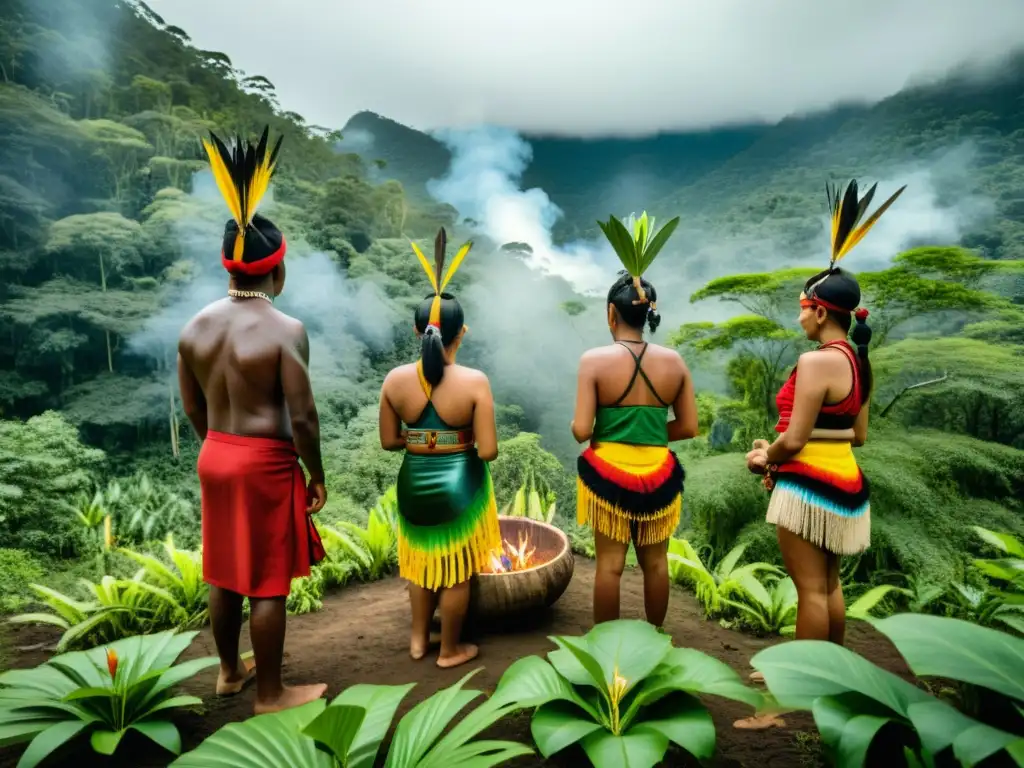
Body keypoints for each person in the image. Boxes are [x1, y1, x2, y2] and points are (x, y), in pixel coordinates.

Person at [737, 179, 905, 728]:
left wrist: (767, 457)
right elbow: (855, 435)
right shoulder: (857, 361)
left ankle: (789, 697)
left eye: (802, 308)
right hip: (846, 483)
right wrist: (781, 447)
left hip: (808, 484)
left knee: (809, 587)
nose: (799, 317)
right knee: (828, 585)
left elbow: (795, 438)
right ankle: (824, 671)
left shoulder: (814, 363)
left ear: (818, 310)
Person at [177, 127, 328, 715]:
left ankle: (228, 671)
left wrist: (215, 446)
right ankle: (270, 693)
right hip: (264, 463)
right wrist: (315, 475)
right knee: (265, 580)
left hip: (214, 455)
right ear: (277, 270)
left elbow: (193, 406)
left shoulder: (194, 328)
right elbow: (304, 415)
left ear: (228, 268)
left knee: (224, 571)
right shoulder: (285, 330)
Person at [378, 227, 502, 668]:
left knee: (420, 563)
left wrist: (422, 440)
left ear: (416, 329)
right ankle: (449, 649)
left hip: (413, 484)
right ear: (461, 332)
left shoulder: (394, 381)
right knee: (455, 569)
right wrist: (461, 441)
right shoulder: (474, 383)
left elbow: (390, 441)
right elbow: (487, 452)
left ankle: (417, 640)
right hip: (460, 488)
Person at [572, 212, 698, 627]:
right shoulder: (674, 361)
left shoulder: (594, 360)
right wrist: (647, 429)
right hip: (659, 476)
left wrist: (612, 429)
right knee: (656, 565)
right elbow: (688, 426)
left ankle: (606, 647)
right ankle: (655, 640)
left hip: (608, 474)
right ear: (648, 314)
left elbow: (580, 430)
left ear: (612, 314)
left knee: (609, 566)